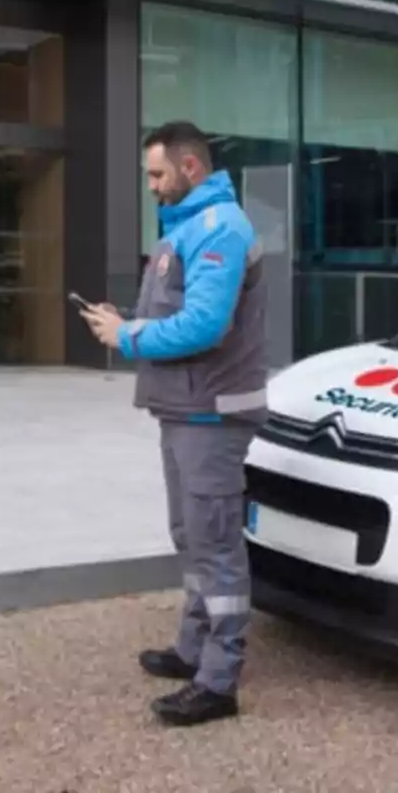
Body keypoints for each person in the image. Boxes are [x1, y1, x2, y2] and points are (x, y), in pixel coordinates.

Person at [81, 120, 268, 727]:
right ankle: (193, 650)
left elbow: (205, 326)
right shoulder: (188, 230)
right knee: (191, 538)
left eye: (158, 174)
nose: (152, 186)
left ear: (191, 168)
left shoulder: (220, 230)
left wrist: (128, 335)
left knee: (215, 547)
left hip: (210, 415)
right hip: (186, 409)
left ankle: (219, 681)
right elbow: (177, 312)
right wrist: (128, 317)